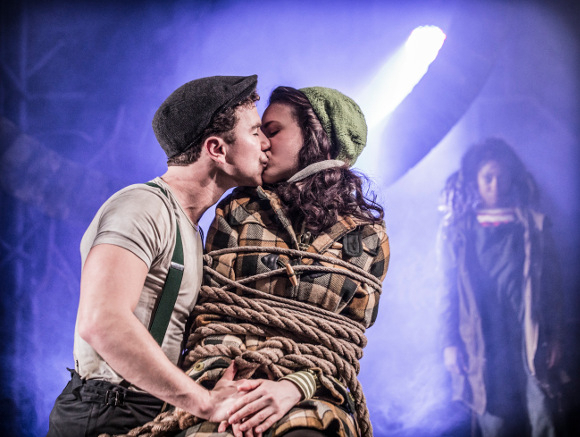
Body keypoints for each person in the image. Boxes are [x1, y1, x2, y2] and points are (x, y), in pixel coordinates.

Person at [122, 85, 390, 437]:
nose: (262, 141)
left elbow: (345, 347)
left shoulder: (368, 238)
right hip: (228, 382)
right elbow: (211, 320)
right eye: (260, 130)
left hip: (315, 390)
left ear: (316, 139)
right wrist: (242, 390)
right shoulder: (240, 210)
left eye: (274, 130)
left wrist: (295, 386)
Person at [46, 75, 271, 437]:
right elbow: (101, 320)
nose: (266, 144)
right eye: (256, 131)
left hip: (149, 408)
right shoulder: (142, 206)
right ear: (217, 148)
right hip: (108, 412)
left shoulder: (190, 225)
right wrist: (206, 403)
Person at [437, 138, 563, 437]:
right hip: (481, 337)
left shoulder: (533, 225)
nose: (496, 184)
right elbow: (449, 293)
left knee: (543, 415)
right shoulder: (458, 231)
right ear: (475, 181)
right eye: (488, 178)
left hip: (529, 334)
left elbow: (553, 288)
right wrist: (450, 343)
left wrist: (556, 337)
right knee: (495, 419)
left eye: (502, 177)